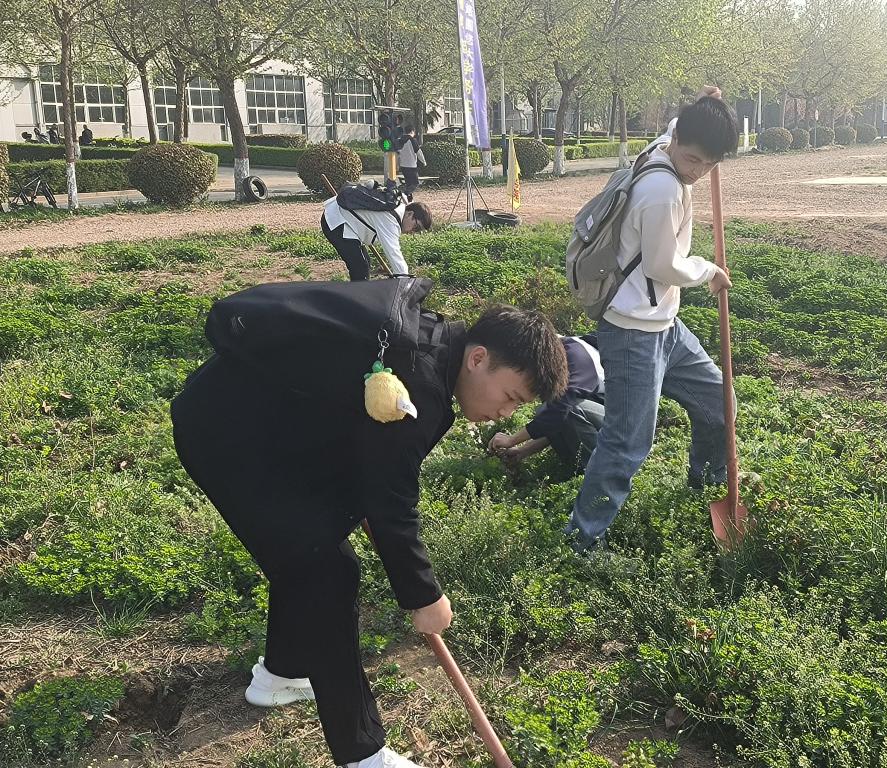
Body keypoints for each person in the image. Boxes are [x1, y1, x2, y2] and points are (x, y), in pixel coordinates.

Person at [171, 299, 568, 768]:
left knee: (312, 553)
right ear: (478, 358)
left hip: (260, 425)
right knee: (324, 572)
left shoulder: (434, 351)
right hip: (228, 436)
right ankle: (363, 755)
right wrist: (423, 595)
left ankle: (282, 674)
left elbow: (375, 468)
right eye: (511, 397)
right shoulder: (419, 383)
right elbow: (390, 502)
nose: (506, 413)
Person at [564, 86, 740, 553]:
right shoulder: (662, 191)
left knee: (719, 402)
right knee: (626, 442)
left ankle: (706, 484)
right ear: (677, 142)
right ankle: (581, 540)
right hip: (632, 333)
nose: (697, 171)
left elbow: (680, 130)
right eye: (693, 159)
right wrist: (708, 271)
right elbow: (663, 266)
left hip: (666, 327)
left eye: (709, 164)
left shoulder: (667, 144)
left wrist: (704, 104)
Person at [488, 334, 604, 475]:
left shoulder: (577, 356)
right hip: (605, 420)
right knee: (547, 409)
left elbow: (560, 412)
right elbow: (559, 422)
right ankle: (578, 468)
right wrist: (523, 451)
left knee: (569, 408)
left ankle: (602, 472)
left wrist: (512, 440)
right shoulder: (561, 356)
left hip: (623, 427)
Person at [320, 184, 433, 280]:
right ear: (410, 214)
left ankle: (358, 295)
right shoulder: (391, 218)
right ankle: (356, 298)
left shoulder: (398, 205)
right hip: (336, 221)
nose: (413, 232)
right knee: (360, 268)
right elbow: (393, 253)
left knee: (364, 264)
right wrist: (404, 280)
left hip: (345, 219)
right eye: (416, 227)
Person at [396, 125, 426, 200]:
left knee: (408, 184)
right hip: (411, 166)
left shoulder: (399, 141)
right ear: (412, 131)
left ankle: (409, 200)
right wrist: (424, 162)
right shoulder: (412, 140)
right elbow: (419, 152)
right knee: (415, 183)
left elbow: (397, 154)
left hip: (403, 166)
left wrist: (397, 165)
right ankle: (404, 194)